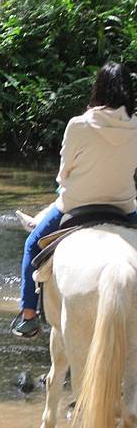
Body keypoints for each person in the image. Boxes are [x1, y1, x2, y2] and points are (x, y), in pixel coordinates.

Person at [12, 62, 137, 338]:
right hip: (125, 207)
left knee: (32, 245)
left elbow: (64, 172)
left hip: (76, 204)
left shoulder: (78, 125)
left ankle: (29, 315)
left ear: (99, 89)